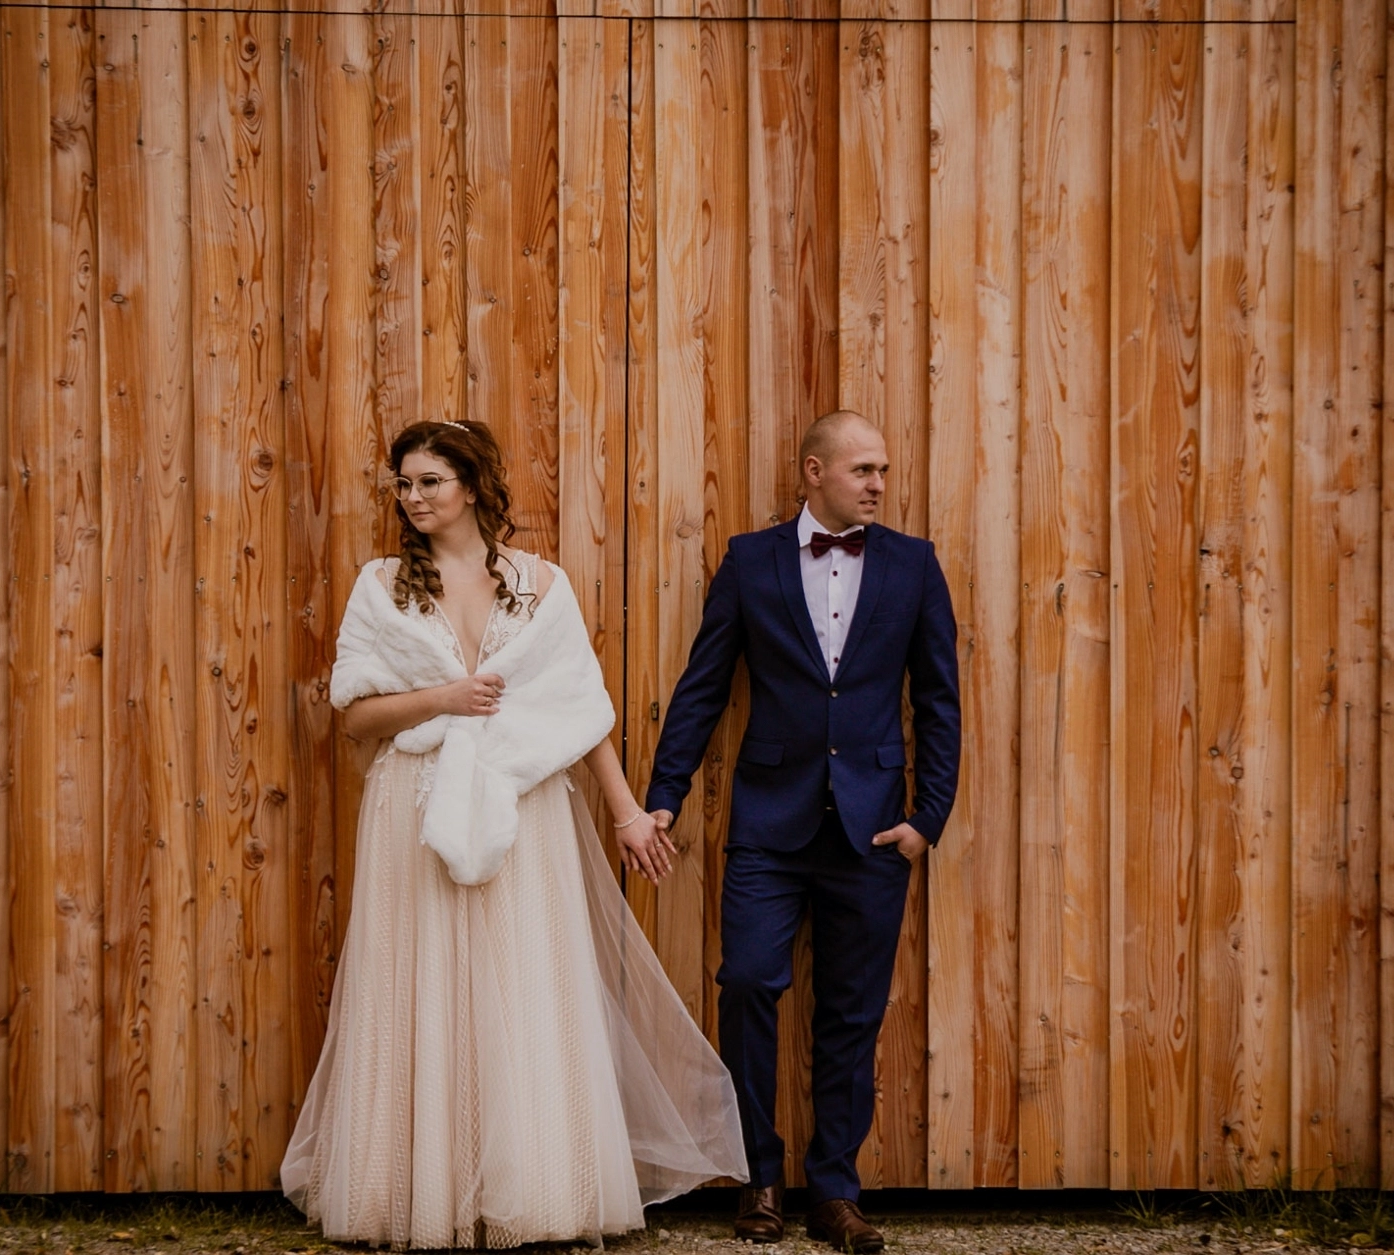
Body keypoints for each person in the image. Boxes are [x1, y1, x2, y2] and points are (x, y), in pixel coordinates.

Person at [282, 419, 746, 1249]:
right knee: (416, 982)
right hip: (416, 806)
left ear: (471, 485)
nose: (412, 497)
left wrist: (626, 811)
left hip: (522, 806)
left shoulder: (541, 583)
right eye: (403, 483)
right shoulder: (381, 585)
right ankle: (413, 1192)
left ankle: (533, 1190)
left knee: (523, 983)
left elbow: (581, 711)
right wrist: (443, 700)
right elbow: (355, 717)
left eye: (429, 480)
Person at [644, 410, 961, 1252]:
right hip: (767, 823)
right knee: (747, 982)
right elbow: (703, 685)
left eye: (882, 469)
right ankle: (758, 1175)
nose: (878, 484)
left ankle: (834, 1190)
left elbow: (938, 699)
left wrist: (926, 819)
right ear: (813, 472)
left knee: (850, 1013)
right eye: (862, 469)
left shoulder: (912, 564)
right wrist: (665, 794)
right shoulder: (750, 561)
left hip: (873, 830)